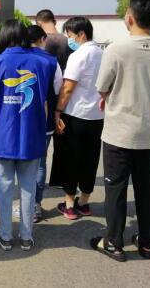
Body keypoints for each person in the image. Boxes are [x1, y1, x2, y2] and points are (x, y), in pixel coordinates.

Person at [90, 0, 150, 262]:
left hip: (119, 133)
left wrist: (110, 96)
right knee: (147, 189)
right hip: (149, 132)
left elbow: (102, 87)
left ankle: (114, 243)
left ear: (130, 17)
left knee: (116, 188)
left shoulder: (116, 49)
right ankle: (146, 243)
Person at [0, 20, 53, 251]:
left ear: (4, 36)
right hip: (32, 135)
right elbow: (45, 103)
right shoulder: (44, 63)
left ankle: (5, 235)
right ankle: (26, 236)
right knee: (28, 187)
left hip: (3, 136)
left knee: (4, 187)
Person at [55, 17, 104, 220]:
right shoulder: (103, 53)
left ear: (81, 34)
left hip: (76, 115)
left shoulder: (78, 55)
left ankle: (69, 204)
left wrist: (57, 110)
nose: (69, 40)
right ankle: (83, 202)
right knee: (90, 159)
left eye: (70, 35)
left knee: (71, 159)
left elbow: (67, 88)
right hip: (97, 116)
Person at [27, 25, 62, 222]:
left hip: (23, 120)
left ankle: (26, 204)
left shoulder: (20, 58)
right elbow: (57, 88)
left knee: (23, 163)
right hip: (45, 120)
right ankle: (36, 206)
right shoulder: (51, 61)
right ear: (42, 39)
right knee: (40, 163)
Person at [34, 9, 73, 188]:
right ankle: (61, 180)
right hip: (66, 95)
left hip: (45, 97)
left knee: (41, 146)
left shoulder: (41, 42)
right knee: (63, 141)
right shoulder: (68, 42)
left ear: (39, 23)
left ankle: (37, 183)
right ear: (55, 21)